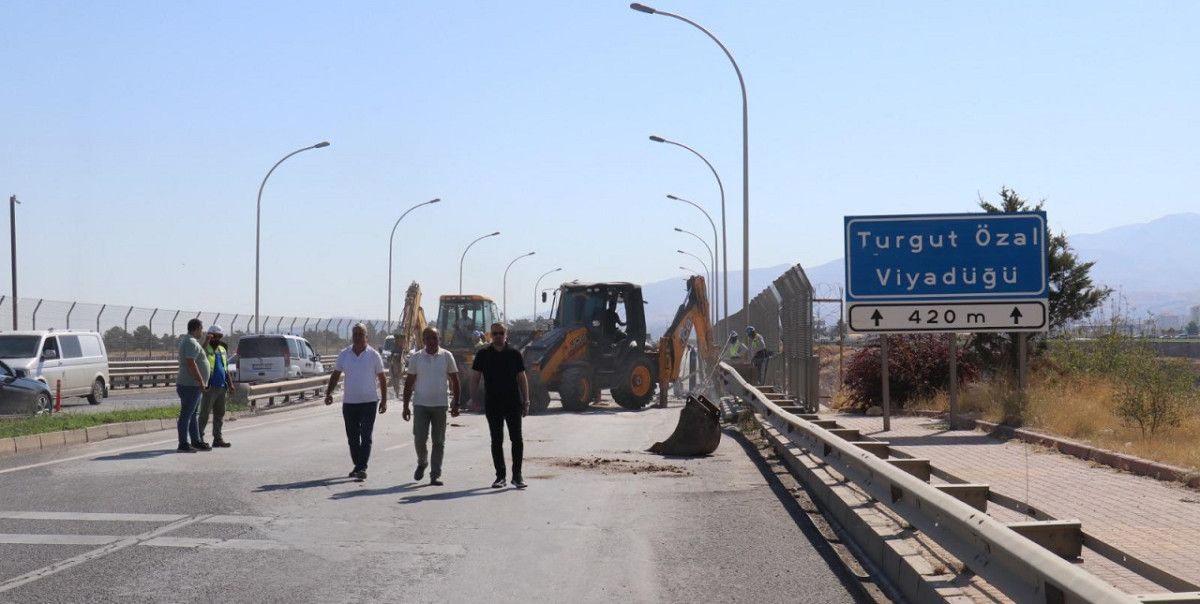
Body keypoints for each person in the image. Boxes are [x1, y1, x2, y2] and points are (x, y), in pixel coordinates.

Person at [471, 322, 530, 489]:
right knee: (496, 440)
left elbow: (522, 378)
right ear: (490, 335)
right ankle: (500, 476)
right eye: (495, 333)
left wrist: (526, 401)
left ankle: (517, 476)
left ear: (506, 335)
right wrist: (473, 398)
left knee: (516, 439)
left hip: (512, 402)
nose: (498, 336)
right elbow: (475, 377)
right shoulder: (483, 354)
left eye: (501, 333)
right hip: (492, 403)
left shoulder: (514, 354)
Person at [325, 324, 387, 481]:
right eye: (355, 334)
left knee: (366, 436)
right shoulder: (344, 354)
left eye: (361, 334)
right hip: (350, 403)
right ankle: (358, 465)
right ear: (352, 336)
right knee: (352, 438)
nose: (358, 337)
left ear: (367, 337)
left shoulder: (373, 355)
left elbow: (382, 378)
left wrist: (384, 400)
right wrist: (329, 393)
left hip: (369, 402)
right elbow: (336, 374)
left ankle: (361, 467)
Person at [402, 326, 460, 486]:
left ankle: (435, 474)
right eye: (428, 338)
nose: (432, 341)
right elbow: (409, 383)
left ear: (439, 339)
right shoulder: (416, 358)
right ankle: (422, 462)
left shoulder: (447, 356)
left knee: (438, 441)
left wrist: (456, 402)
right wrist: (405, 406)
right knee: (420, 438)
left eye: (435, 338)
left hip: (440, 405)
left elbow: (455, 381)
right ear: (423, 340)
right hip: (420, 404)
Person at [175, 318, 211, 453]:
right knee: (186, 414)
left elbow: (198, 354)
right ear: (196, 329)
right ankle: (183, 444)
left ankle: (196, 441)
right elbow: (191, 363)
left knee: (193, 414)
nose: (202, 331)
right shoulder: (190, 342)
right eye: (201, 329)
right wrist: (201, 381)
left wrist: (206, 342)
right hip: (190, 384)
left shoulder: (191, 342)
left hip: (192, 384)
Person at [198, 325, 234, 448]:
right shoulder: (205, 347)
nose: (217, 338)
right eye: (215, 336)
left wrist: (230, 384)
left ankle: (217, 438)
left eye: (220, 336)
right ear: (209, 335)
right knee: (204, 414)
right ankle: (199, 438)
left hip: (221, 387)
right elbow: (199, 354)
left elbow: (225, 368)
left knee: (219, 414)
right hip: (209, 386)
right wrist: (206, 340)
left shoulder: (222, 349)